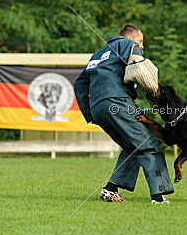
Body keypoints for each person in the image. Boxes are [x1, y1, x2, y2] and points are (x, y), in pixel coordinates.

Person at [74, 24, 173, 203]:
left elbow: (79, 84)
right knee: (148, 143)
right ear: (130, 38)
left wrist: (90, 114)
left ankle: (110, 190)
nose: (141, 46)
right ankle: (158, 196)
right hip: (117, 101)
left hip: (98, 108)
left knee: (132, 145)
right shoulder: (127, 45)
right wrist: (156, 98)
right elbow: (141, 70)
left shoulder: (97, 55)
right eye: (140, 41)